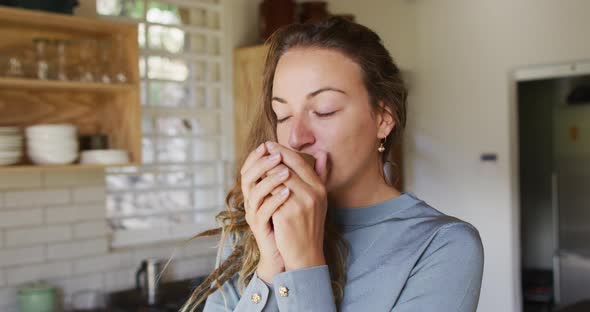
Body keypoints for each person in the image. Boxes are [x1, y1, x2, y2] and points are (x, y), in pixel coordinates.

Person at [180, 17, 484, 312]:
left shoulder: (444, 246)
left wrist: (304, 260)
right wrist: (271, 267)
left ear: (383, 117)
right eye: (282, 116)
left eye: (324, 111)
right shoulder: (255, 229)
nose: (296, 138)